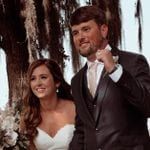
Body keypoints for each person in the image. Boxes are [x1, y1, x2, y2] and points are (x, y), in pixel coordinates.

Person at [69, 5, 150, 150]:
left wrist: (115, 70)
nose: (80, 37)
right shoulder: (76, 80)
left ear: (103, 30)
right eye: (75, 33)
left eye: (86, 29)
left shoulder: (133, 62)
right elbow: (82, 131)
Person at [20, 59, 75, 150]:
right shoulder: (28, 116)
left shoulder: (75, 108)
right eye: (33, 79)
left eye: (43, 77)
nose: (38, 83)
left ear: (57, 82)